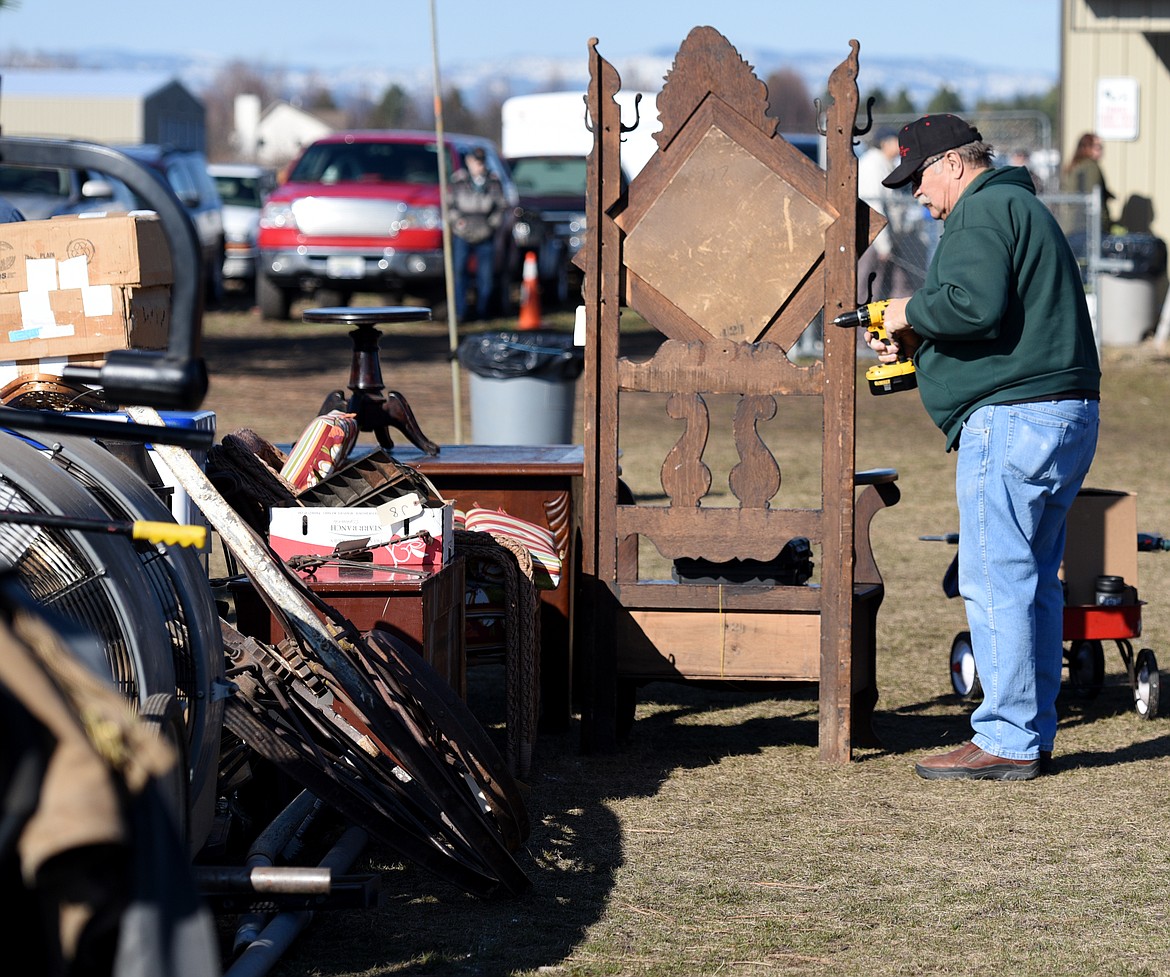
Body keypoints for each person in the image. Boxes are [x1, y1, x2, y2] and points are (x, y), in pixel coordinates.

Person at [870, 114, 1101, 781]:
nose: (915, 192)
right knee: (1031, 580)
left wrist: (907, 312)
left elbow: (971, 305)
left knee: (996, 576)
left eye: (917, 177)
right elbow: (1000, 323)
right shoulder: (1016, 204)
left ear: (950, 162)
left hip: (1015, 420)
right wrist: (920, 348)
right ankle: (1029, 730)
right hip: (1060, 414)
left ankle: (1006, 736)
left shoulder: (980, 211)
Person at [448, 146, 508, 322]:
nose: (479, 166)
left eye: (481, 162)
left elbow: (500, 208)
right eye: (476, 162)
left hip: (485, 233)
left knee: (486, 276)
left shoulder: (494, 183)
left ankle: (482, 312)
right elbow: (449, 206)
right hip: (463, 233)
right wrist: (457, 222)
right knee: (459, 273)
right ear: (469, 162)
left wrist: (491, 226)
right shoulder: (459, 181)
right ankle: (460, 312)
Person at [855, 126, 906, 301]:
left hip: (883, 238)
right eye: (896, 141)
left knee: (891, 285)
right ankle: (863, 328)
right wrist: (883, 244)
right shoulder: (873, 164)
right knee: (868, 289)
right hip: (873, 239)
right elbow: (874, 206)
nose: (900, 146)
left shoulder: (884, 163)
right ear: (885, 143)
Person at [1061, 132, 1114, 234]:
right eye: (1098, 147)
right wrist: (1104, 224)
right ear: (1086, 147)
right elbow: (1094, 196)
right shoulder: (1091, 167)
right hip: (1087, 227)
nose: (1102, 151)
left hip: (1071, 226)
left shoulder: (1075, 165)